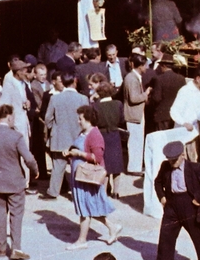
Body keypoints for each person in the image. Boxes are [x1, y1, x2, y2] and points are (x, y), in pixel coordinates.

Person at [148, 138, 200, 260]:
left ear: (183, 155)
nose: (172, 163)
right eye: (170, 160)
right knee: (166, 233)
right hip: (172, 203)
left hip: (189, 203)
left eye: (174, 160)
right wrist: (162, 197)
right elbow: (158, 182)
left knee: (196, 233)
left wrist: (197, 199)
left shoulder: (195, 168)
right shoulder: (165, 166)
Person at [0, 103, 38, 260]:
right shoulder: (16, 136)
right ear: (8, 117)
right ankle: (16, 249)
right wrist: (35, 170)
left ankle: (0, 248)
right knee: (16, 215)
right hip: (15, 181)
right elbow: (28, 158)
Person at [65, 105, 121, 247]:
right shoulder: (84, 133)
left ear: (88, 119)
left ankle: (82, 240)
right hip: (81, 176)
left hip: (88, 178)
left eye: (80, 119)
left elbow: (97, 157)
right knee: (90, 207)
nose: (78, 121)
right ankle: (113, 228)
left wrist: (78, 154)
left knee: (86, 209)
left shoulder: (94, 135)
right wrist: (70, 152)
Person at [43, 73, 89, 199]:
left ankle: (53, 192)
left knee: (58, 166)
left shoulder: (55, 98)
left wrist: (54, 128)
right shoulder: (83, 99)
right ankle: (79, 193)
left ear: (62, 82)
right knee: (78, 165)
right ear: (75, 81)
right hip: (78, 137)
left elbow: (48, 118)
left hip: (60, 136)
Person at [121, 54, 148, 176]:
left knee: (137, 141)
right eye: (145, 65)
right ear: (140, 66)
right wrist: (146, 94)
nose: (147, 67)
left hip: (137, 113)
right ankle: (134, 168)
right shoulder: (132, 78)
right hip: (133, 115)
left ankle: (136, 166)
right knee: (135, 142)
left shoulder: (134, 77)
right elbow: (133, 98)